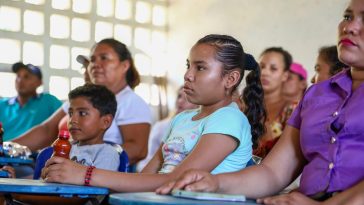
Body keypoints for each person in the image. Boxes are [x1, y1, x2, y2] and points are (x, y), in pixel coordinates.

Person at [157, 1, 364, 204]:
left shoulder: (230, 118)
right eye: (347, 17)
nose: (350, 27)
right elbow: (273, 172)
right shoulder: (317, 95)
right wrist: (215, 182)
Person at [41, 34, 266, 192]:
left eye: (200, 67)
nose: (187, 75)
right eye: (188, 65)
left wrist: (86, 175)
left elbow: (176, 179)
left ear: (231, 79)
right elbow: (145, 178)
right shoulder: (182, 119)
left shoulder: (228, 118)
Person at [14, 38, 152, 165]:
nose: (95, 64)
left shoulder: (131, 102)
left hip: (95, 178)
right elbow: (46, 130)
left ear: (125, 65)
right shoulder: (83, 98)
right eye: (92, 59)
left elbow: (138, 150)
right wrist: (8, 146)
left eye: (104, 58)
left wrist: (83, 160)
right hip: (64, 166)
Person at [137, 86, 199, 172]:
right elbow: (149, 158)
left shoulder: (199, 129)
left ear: (198, 104)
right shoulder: (160, 126)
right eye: (179, 96)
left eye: (187, 98)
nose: (180, 101)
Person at [0, 62, 62, 141]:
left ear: (39, 82)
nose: (20, 80)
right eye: (18, 76)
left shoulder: (49, 101)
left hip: (34, 152)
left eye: (26, 77)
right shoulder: (2, 105)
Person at [253, 47, 296, 158]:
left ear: (285, 75)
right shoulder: (243, 102)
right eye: (261, 66)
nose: (264, 73)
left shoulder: (292, 109)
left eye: (273, 69)